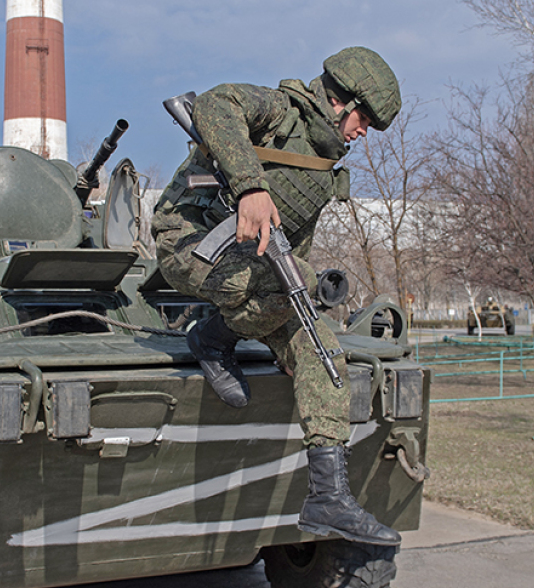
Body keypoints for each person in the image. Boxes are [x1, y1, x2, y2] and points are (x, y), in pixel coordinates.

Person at [151, 47, 402, 546]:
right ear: (340, 101)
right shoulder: (280, 111)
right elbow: (216, 105)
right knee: (300, 289)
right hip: (187, 243)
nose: (363, 132)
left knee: (325, 354)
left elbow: (294, 239)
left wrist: (293, 317)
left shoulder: (325, 162)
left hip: (264, 267)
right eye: (364, 119)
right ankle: (214, 338)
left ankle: (327, 499)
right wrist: (248, 186)